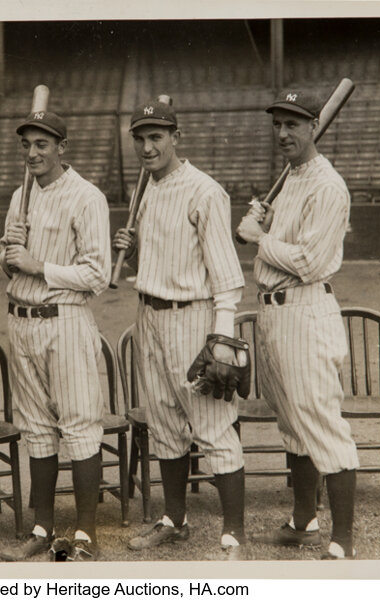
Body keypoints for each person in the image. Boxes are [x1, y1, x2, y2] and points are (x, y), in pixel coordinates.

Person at [112, 97, 248, 559]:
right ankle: (174, 519)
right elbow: (161, 256)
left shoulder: (205, 191)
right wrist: (130, 251)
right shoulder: (144, 188)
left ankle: (233, 533)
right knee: (165, 422)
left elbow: (228, 279)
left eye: (156, 137)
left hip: (192, 315)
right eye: (141, 138)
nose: (148, 147)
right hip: (148, 314)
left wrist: (222, 340)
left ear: (176, 137)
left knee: (211, 424)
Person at [236, 89, 359, 560]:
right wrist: (265, 220)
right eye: (278, 124)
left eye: (294, 124)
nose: (283, 133)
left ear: (314, 127)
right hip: (274, 313)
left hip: (307, 310)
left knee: (321, 421)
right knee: (291, 419)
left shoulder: (328, 185)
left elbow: (310, 261)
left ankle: (342, 539)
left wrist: (259, 237)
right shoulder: (290, 178)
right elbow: (285, 241)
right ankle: (304, 518)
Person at [0, 110, 111, 562]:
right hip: (21, 320)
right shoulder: (18, 196)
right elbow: (10, 262)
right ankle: (42, 527)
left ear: (62, 147)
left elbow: (97, 273)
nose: (32, 153)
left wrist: (36, 263)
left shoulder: (87, 197)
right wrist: (12, 254)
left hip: (64, 319)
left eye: (42, 144)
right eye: (26, 144)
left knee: (80, 425)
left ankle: (85, 533)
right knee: (37, 429)